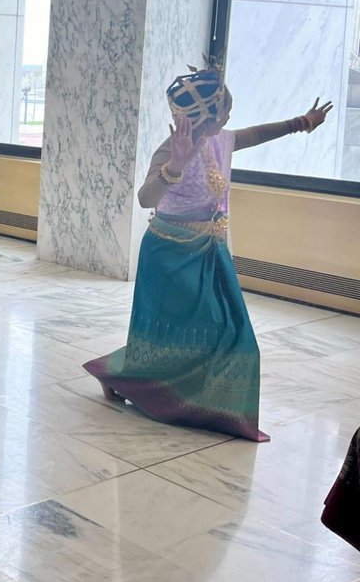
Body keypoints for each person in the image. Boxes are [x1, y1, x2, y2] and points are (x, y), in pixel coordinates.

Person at [84, 64, 333, 442]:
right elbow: (145, 198)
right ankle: (125, 381)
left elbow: (257, 133)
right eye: (225, 109)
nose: (230, 115)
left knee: (231, 332)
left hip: (209, 250)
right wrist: (175, 167)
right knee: (169, 339)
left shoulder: (222, 139)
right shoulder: (171, 150)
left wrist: (302, 122)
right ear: (208, 114)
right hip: (169, 255)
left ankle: (219, 409)